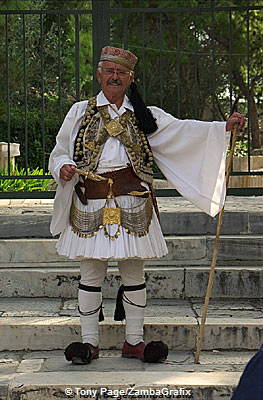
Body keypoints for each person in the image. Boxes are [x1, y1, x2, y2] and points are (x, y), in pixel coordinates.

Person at [48, 46, 246, 365]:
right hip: (89, 201)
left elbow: (185, 131)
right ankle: (88, 342)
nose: (114, 77)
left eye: (121, 73)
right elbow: (58, 153)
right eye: (109, 71)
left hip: (134, 201)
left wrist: (223, 129)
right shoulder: (78, 112)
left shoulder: (145, 115)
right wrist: (64, 167)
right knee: (90, 271)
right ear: (99, 74)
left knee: (134, 271)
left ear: (130, 78)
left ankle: (134, 341)